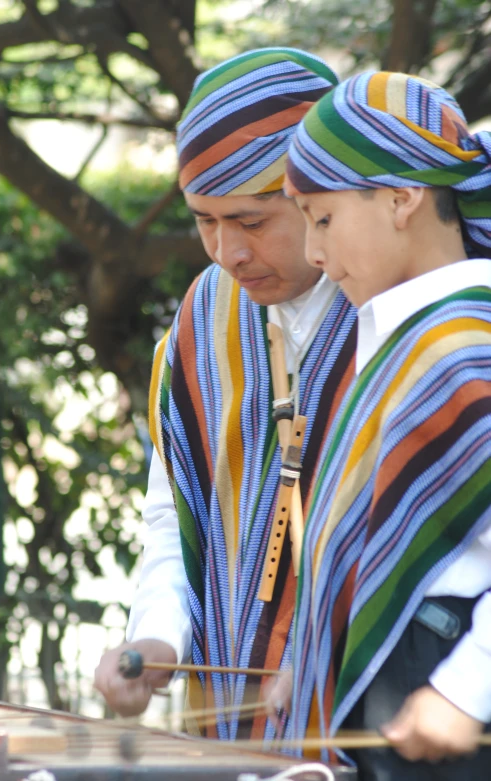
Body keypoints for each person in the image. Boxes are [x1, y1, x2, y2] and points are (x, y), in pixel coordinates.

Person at [94, 48, 358, 741]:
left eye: (249, 221)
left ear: (319, 194)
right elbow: (172, 510)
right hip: (236, 730)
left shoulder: (403, 308)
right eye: (203, 221)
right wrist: (156, 637)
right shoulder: (203, 317)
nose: (224, 253)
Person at [278, 71, 491, 779]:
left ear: (402, 198)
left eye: (323, 218)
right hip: (402, 676)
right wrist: (320, 661)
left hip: (444, 668)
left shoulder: (466, 344)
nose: (312, 252)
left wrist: (464, 691)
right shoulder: (401, 335)